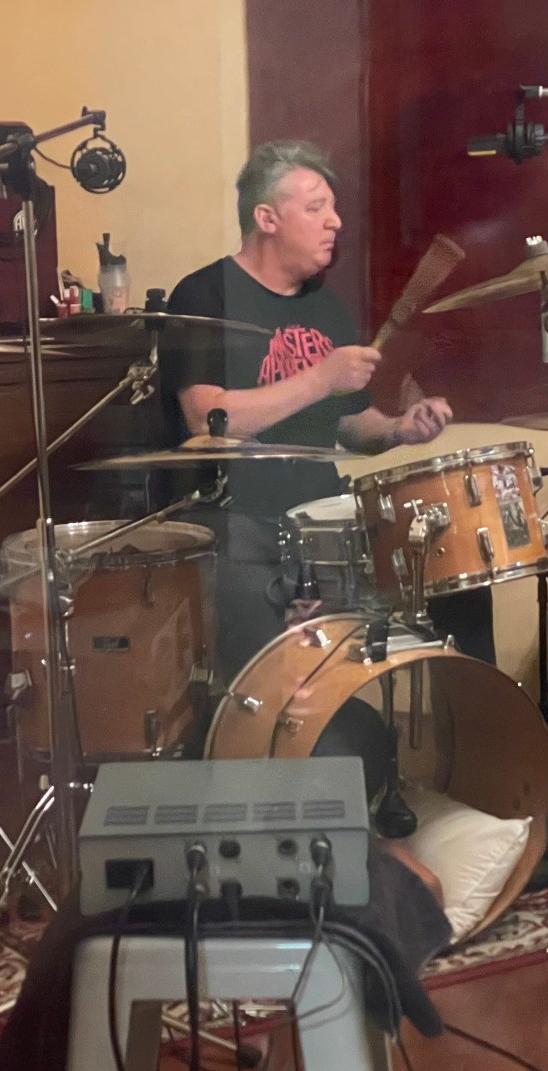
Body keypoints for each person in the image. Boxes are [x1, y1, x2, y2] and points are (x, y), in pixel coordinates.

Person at [159, 139, 493, 680]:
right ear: (267, 218)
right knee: (275, 661)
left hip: (323, 522)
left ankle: (477, 729)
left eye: (333, 209)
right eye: (316, 208)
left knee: (460, 580)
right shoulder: (204, 296)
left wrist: (400, 428)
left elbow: (351, 425)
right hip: (237, 525)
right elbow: (208, 418)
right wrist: (321, 377)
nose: (335, 222)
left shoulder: (324, 305)